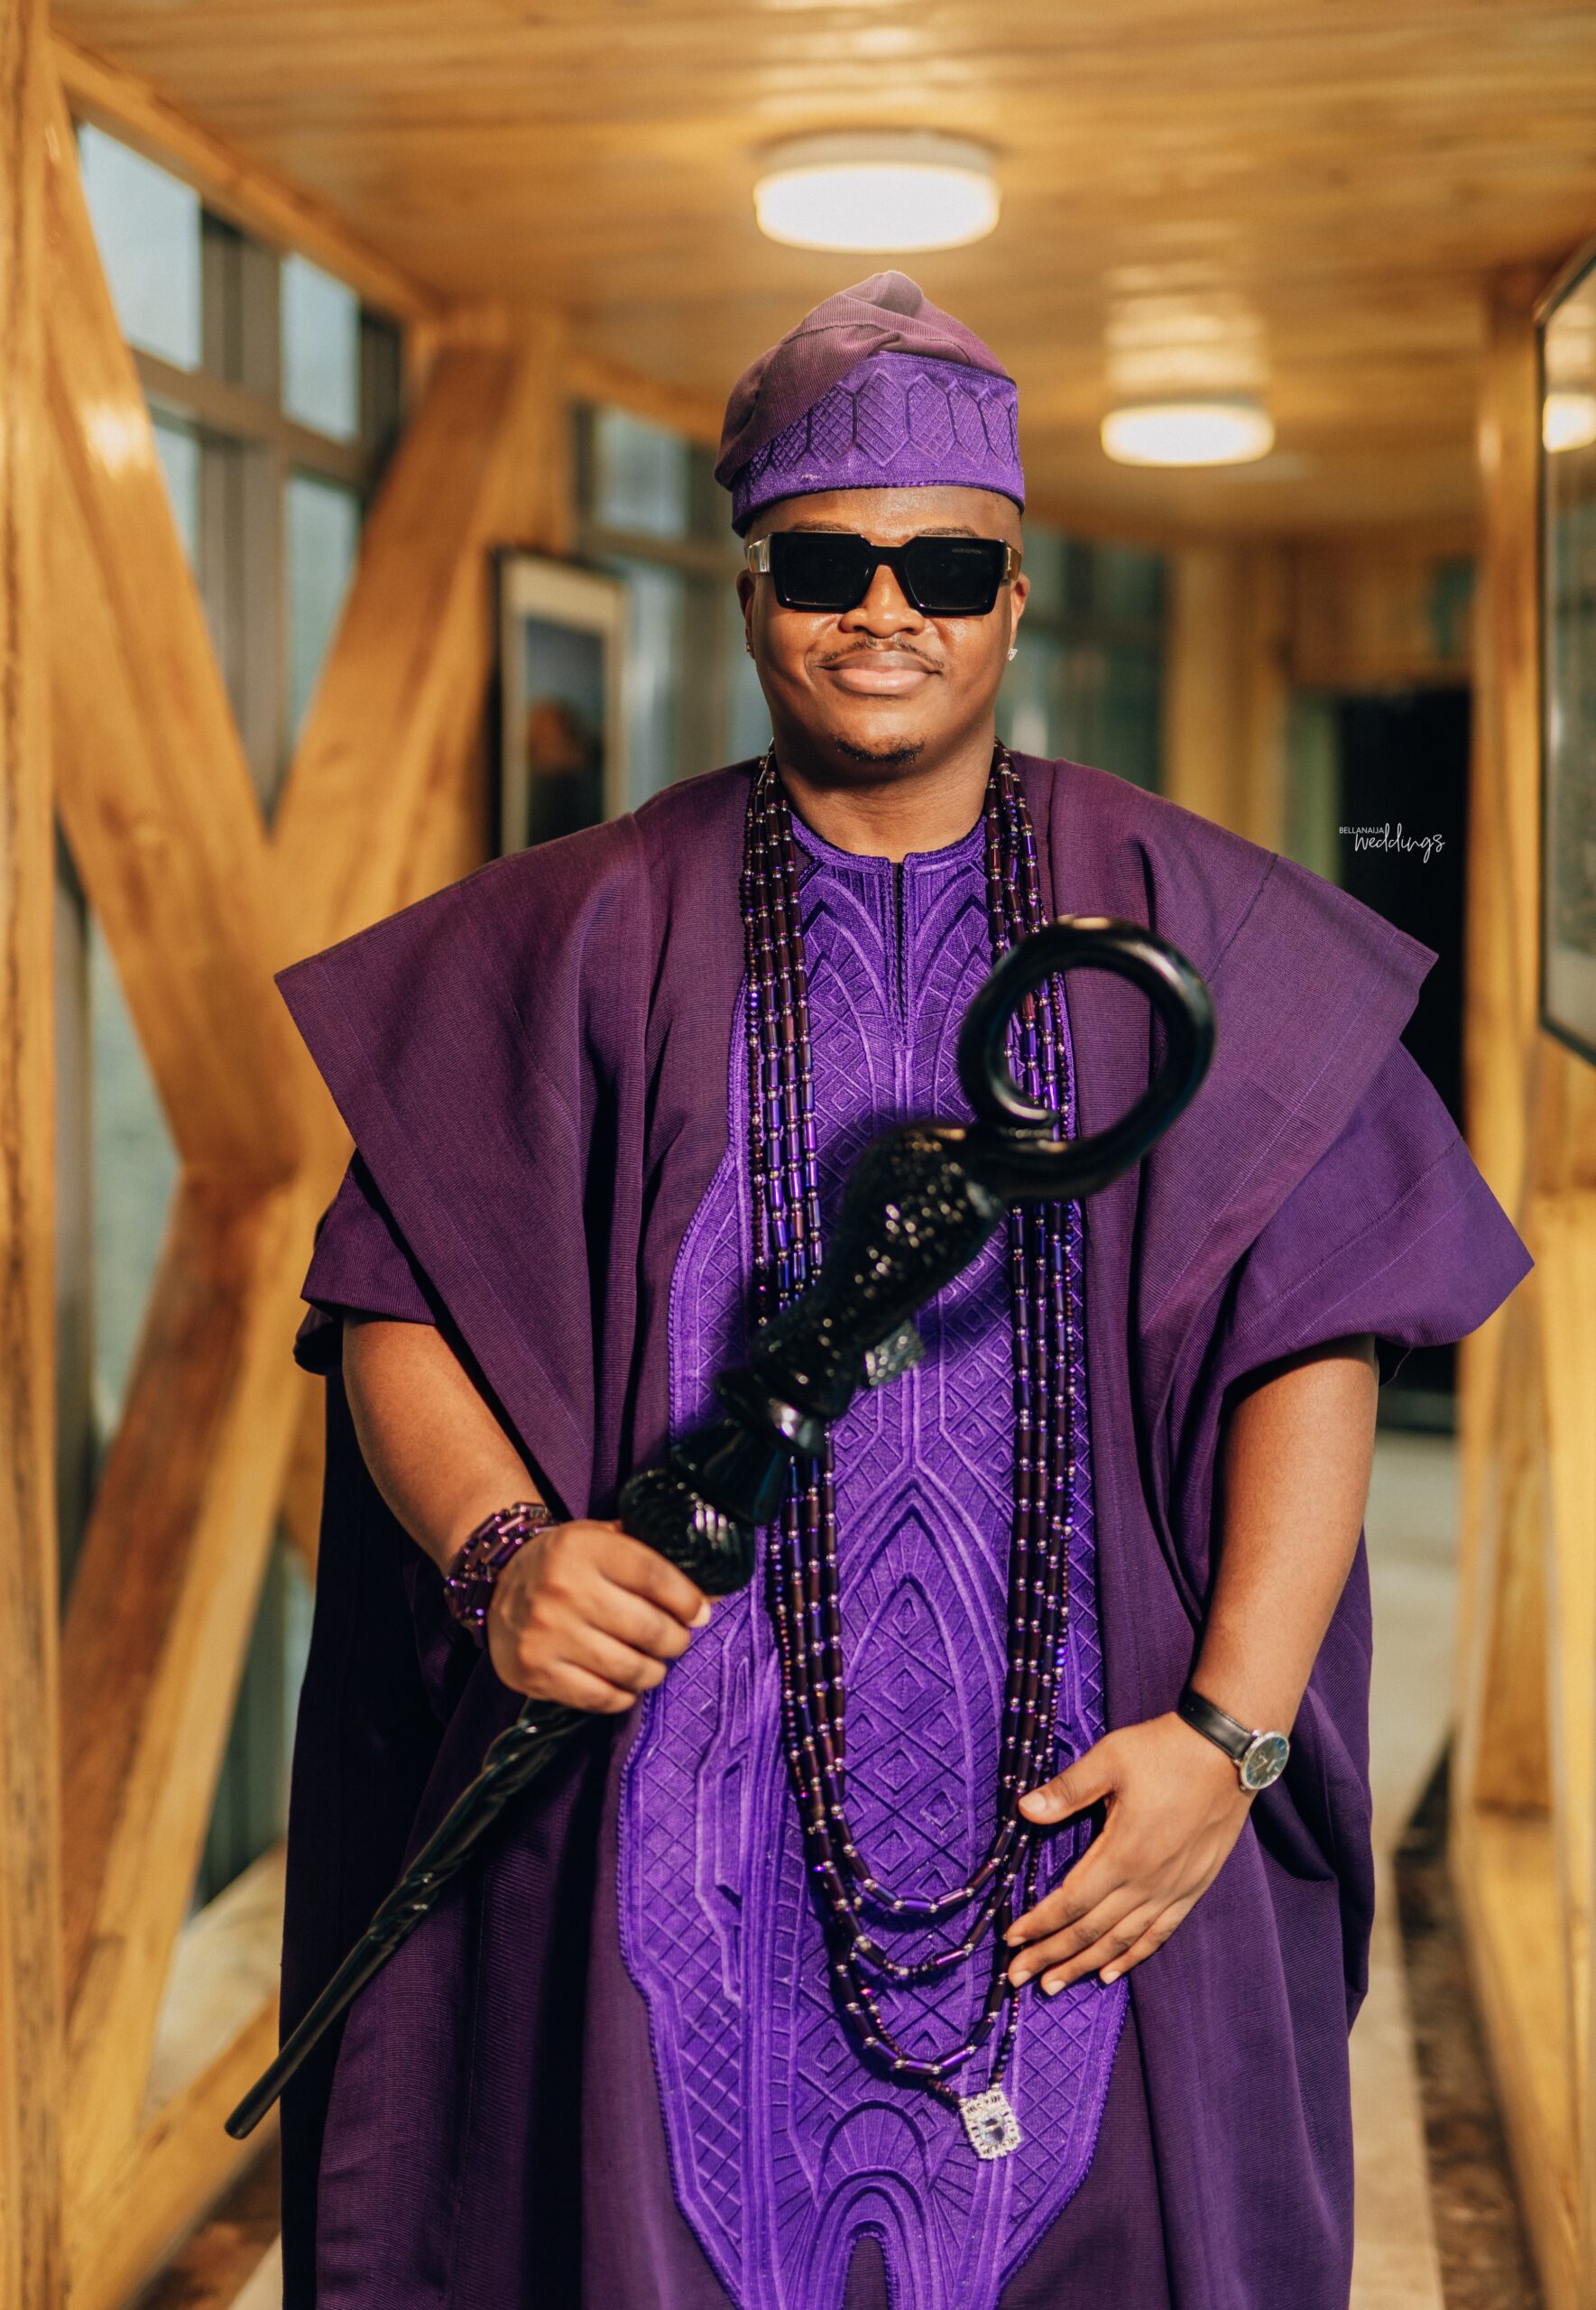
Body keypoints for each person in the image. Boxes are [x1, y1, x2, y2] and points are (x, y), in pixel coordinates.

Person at [272, 273, 1532, 2310]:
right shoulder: (586, 924)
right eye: (825, 564)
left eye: (944, 565)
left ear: (1014, 598)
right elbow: (396, 1284)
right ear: (750, 592)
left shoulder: (1185, 913)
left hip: (1083, 1808)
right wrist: (500, 1553)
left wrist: (1229, 1736)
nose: (886, 610)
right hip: (677, 1826)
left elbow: (1310, 1327)